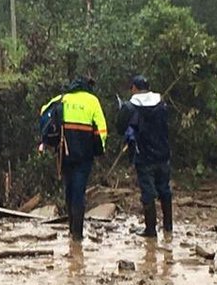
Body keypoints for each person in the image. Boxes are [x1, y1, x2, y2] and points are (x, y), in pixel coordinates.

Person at [40, 76, 107, 241]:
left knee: (69, 189)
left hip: (64, 153)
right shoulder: (93, 101)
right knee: (79, 191)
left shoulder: (62, 98)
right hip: (84, 156)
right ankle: (77, 235)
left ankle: (71, 230)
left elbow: (43, 113)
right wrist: (99, 149)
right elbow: (102, 129)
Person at [115, 75, 172, 238]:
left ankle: (150, 230)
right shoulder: (161, 103)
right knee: (165, 189)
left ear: (134, 88)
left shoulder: (129, 106)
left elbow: (120, 128)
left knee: (148, 192)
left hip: (143, 154)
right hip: (163, 152)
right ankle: (168, 227)